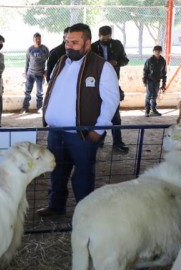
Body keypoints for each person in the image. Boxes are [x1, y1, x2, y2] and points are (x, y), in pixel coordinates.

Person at [38, 23, 120, 217]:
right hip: (56, 131)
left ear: (87, 43)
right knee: (57, 171)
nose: (69, 46)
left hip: (81, 134)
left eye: (74, 42)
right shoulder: (61, 62)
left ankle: (85, 213)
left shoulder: (102, 67)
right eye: (67, 42)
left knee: (83, 174)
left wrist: (98, 129)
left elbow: (111, 101)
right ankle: (56, 206)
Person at [91, 25, 130, 153]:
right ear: (99, 36)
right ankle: (100, 139)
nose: (105, 39)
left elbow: (125, 60)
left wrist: (117, 63)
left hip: (112, 84)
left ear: (110, 35)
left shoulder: (117, 45)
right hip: (97, 85)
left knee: (115, 115)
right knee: (97, 113)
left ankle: (117, 142)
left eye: (107, 37)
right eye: (102, 37)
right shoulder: (93, 47)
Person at [21, 32, 49, 114]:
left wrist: (46, 71)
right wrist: (26, 72)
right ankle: (25, 107)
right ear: (33, 40)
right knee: (27, 92)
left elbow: (49, 61)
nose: (38, 40)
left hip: (40, 74)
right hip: (30, 74)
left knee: (40, 93)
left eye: (39, 39)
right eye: (36, 39)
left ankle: (39, 108)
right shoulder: (30, 49)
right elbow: (27, 61)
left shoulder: (44, 49)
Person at [142, 45, 167, 117]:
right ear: (153, 52)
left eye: (159, 51)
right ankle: (147, 111)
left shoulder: (163, 61)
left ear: (161, 52)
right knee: (149, 95)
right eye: (156, 51)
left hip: (157, 81)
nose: (157, 52)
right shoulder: (149, 60)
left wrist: (164, 84)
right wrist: (144, 80)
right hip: (149, 80)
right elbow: (145, 70)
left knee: (155, 96)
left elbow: (164, 73)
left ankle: (154, 110)